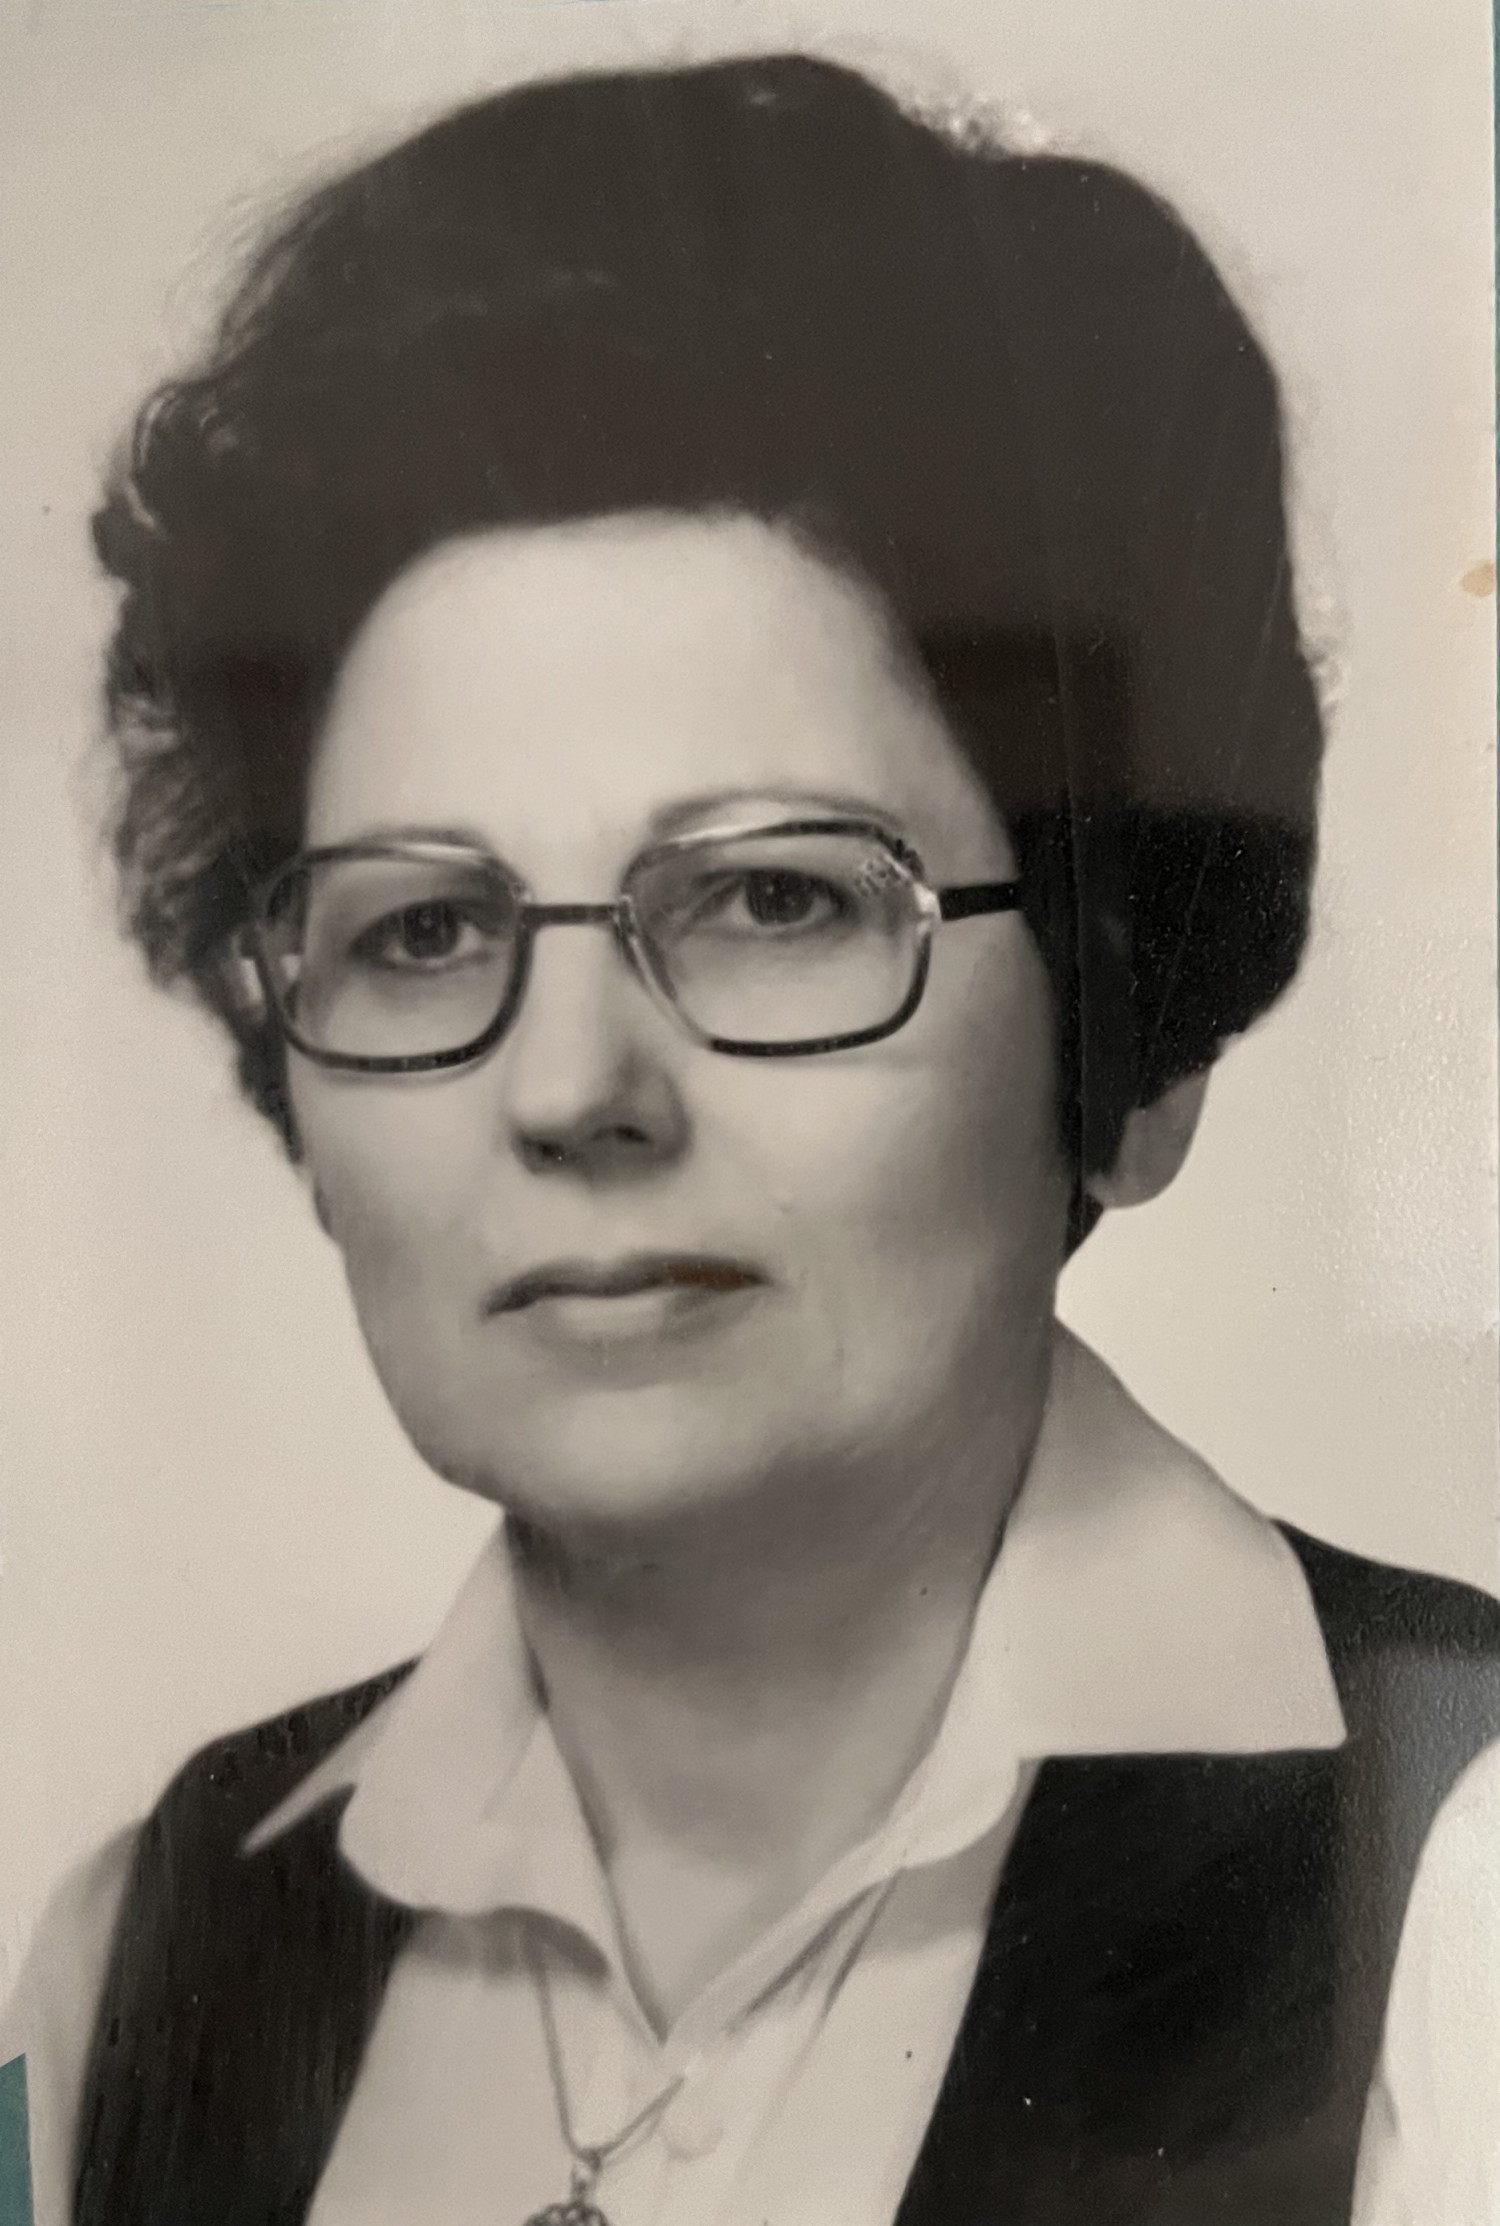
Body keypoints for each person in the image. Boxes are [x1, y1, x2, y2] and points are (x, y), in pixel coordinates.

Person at [3, 50, 1497, 2226]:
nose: (570, 1087)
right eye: (423, 929)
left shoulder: (1459, 1891)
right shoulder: (139, 1962)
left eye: (776, 900)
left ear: (1124, 1029)